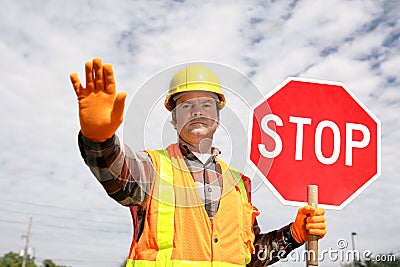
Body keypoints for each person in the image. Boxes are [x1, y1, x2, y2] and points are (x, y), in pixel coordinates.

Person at [69, 57, 326, 267]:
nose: (197, 111)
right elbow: (115, 174)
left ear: (218, 115)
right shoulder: (152, 167)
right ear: (173, 119)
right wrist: (99, 138)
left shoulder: (239, 184)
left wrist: (294, 234)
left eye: (206, 104)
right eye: (186, 105)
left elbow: (250, 257)